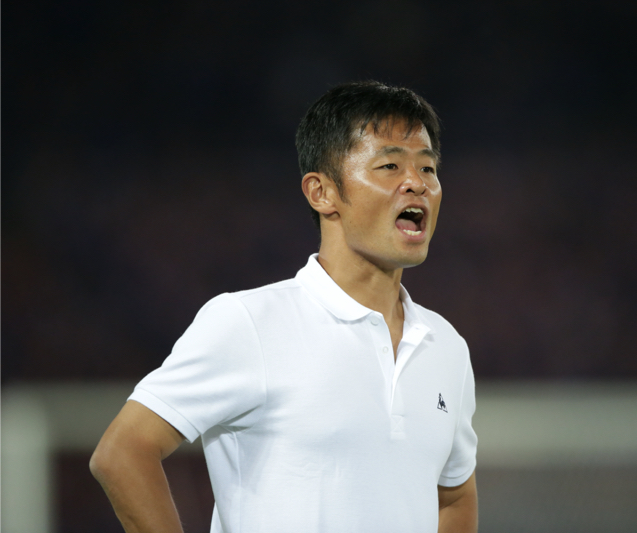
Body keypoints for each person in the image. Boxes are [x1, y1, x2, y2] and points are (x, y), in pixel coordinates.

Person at [90, 80, 478, 533]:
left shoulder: (445, 347)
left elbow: (454, 498)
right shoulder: (249, 323)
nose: (417, 183)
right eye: (390, 165)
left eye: (428, 168)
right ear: (321, 192)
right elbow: (122, 454)